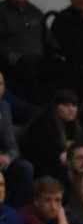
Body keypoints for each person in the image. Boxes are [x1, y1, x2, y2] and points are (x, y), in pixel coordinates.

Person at [21, 90, 83, 181]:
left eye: (74, 105)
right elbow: (44, 155)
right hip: (44, 171)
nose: (71, 109)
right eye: (66, 105)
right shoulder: (42, 124)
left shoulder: (76, 128)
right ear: (55, 107)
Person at [0, 0, 46, 102]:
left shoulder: (35, 11)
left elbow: (48, 37)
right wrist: (12, 56)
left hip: (38, 61)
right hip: (12, 62)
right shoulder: (1, 11)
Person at [0, 71, 35, 209]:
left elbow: (12, 146)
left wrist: (8, 157)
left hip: (2, 161)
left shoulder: (4, 107)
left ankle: (18, 213)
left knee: (25, 168)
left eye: (1, 84)